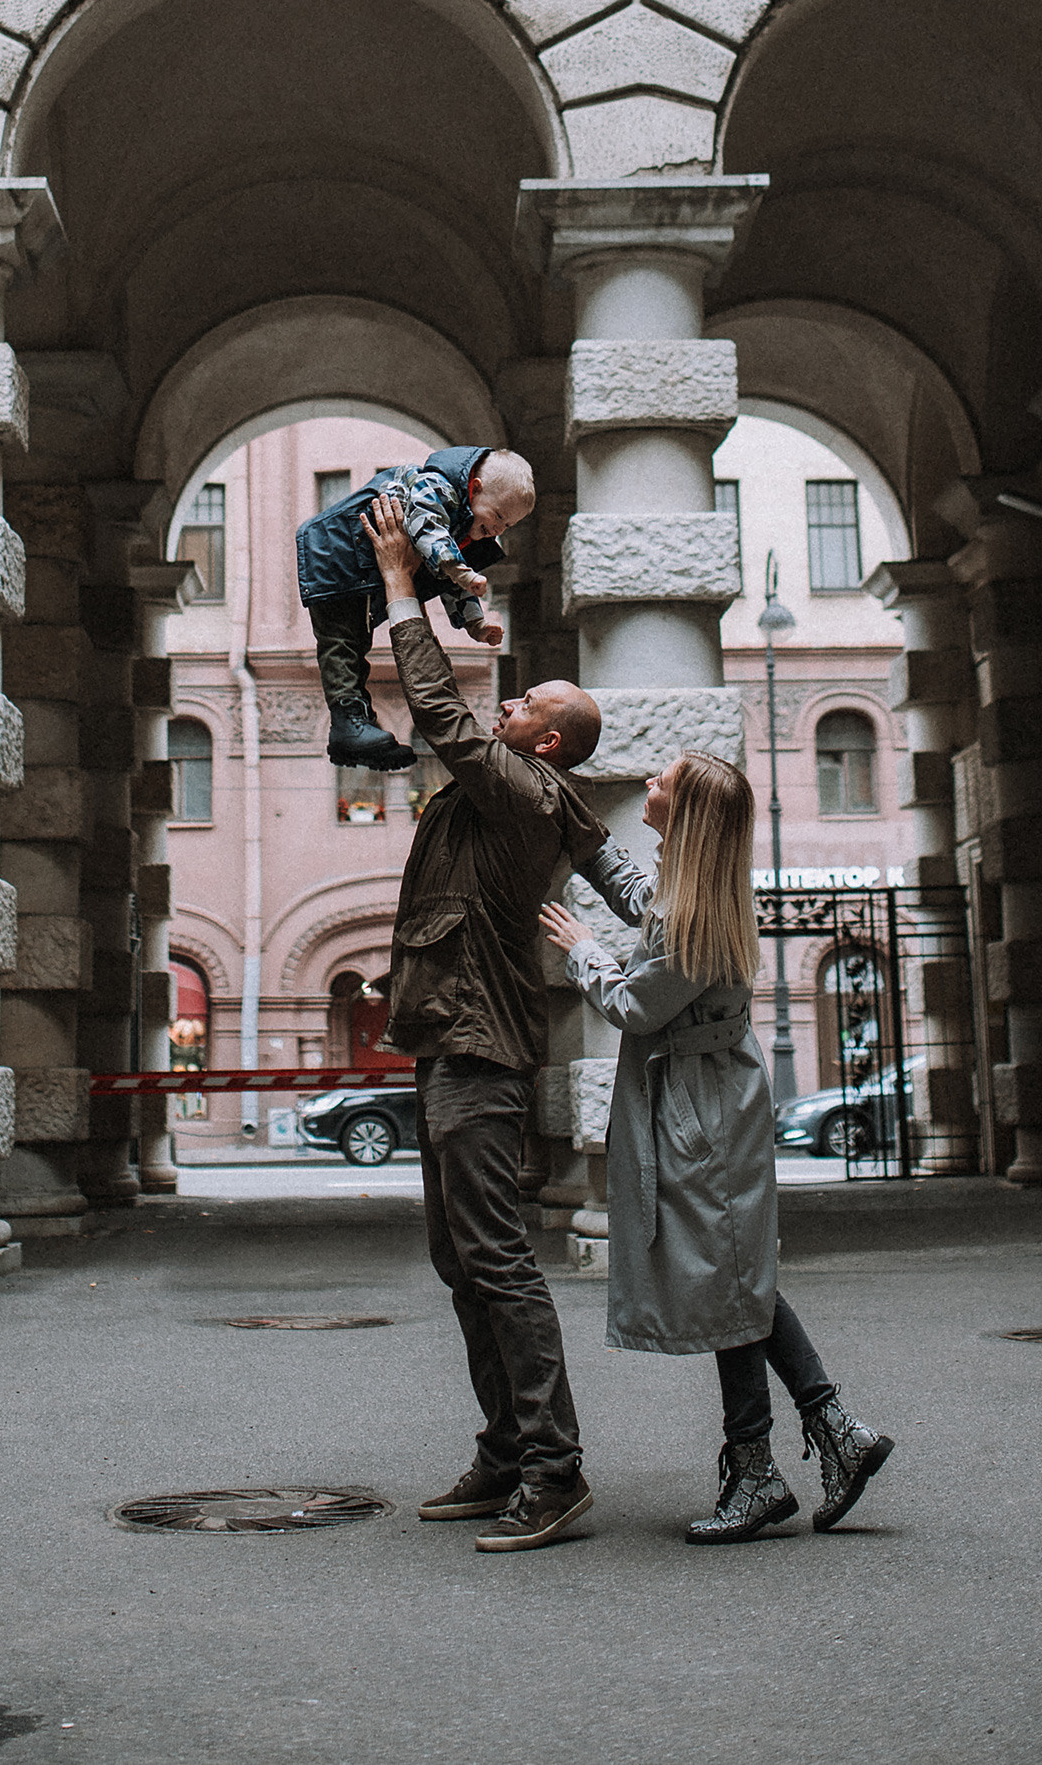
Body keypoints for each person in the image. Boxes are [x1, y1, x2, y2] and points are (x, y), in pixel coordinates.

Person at [538, 752, 896, 1541]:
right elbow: (645, 901)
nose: (651, 787)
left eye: (662, 782)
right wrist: (592, 846)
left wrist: (580, 950)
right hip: (713, 1099)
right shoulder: (696, 891)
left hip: (697, 1109)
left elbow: (635, 1005)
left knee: (728, 1280)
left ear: (688, 812)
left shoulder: (689, 912)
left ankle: (771, 1464)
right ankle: (827, 1434)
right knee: (734, 1277)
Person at [363, 490, 604, 1552]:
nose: (504, 708)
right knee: (461, 1258)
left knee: (497, 1258)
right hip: (448, 1044)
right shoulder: (502, 791)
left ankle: (552, 1468)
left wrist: (398, 591)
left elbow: (445, 718)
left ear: (546, 736)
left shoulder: (525, 790)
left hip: (481, 1053)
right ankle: (506, 1448)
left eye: (524, 705)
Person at [296, 447, 535, 773]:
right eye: (498, 516)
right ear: (475, 487)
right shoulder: (434, 486)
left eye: (509, 525)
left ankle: (355, 726)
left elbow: (446, 580)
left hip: (358, 574)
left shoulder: (463, 523)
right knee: (341, 645)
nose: (499, 530)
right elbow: (428, 531)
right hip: (335, 561)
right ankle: (348, 725)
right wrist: (461, 571)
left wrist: (475, 623)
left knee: (353, 649)